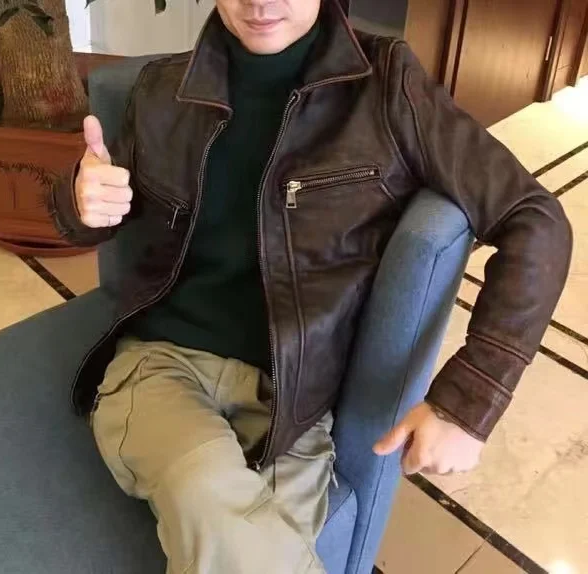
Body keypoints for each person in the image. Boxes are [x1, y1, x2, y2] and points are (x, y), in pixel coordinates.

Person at [50, 0, 572, 572]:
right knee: (207, 492)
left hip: (293, 404)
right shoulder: (161, 90)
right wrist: (80, 198)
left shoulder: (386, 84)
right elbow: (101, 204)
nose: (260, 2)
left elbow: (533, 217)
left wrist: (467, 402)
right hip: (161, 366)